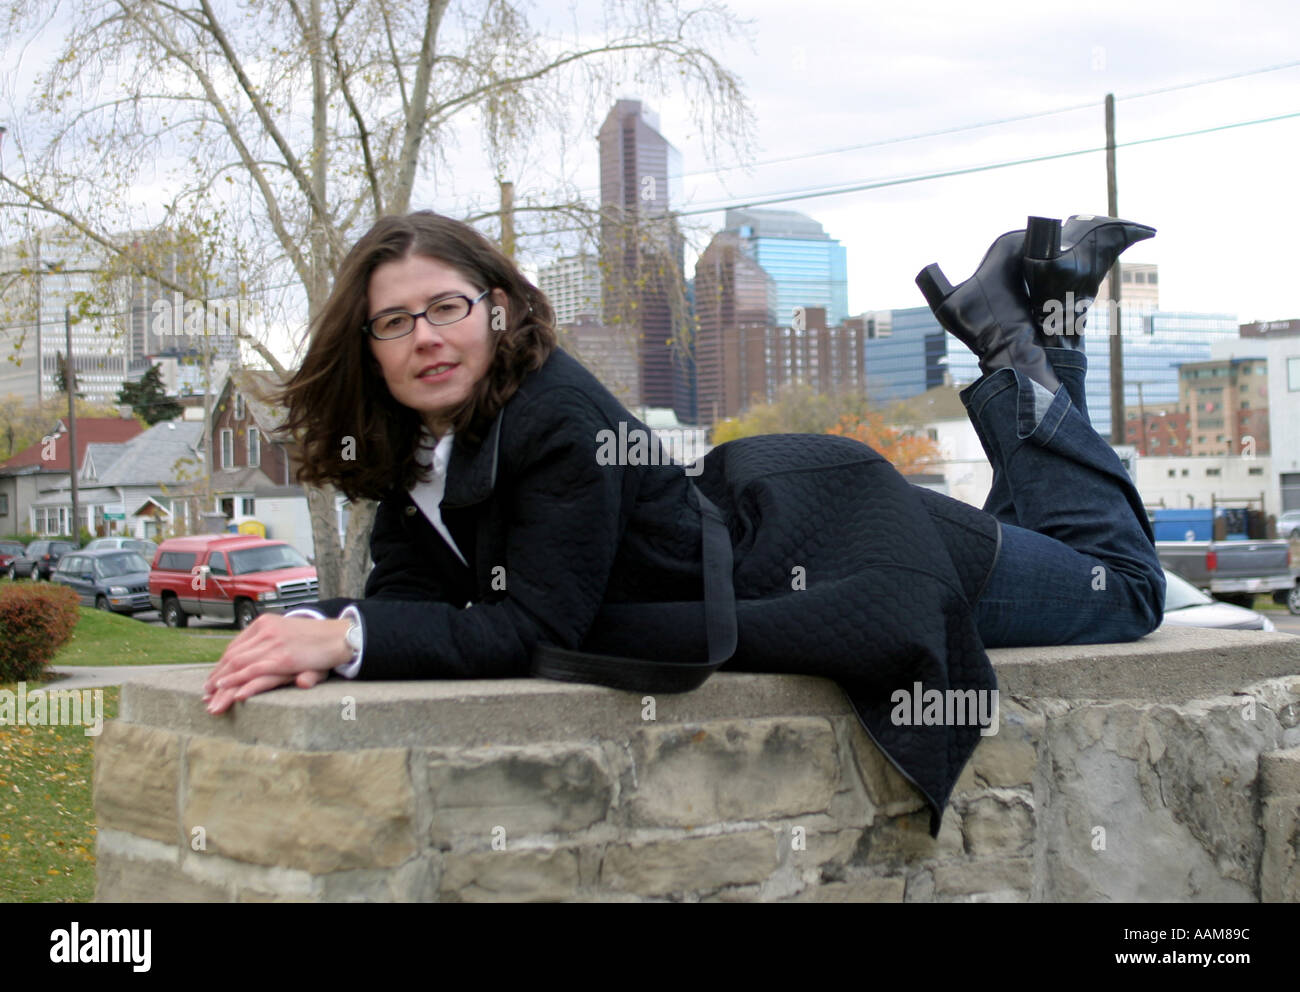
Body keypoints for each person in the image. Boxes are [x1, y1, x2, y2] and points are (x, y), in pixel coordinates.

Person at [203, 210, 1164, 834]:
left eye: (446, 307)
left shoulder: (554, 416)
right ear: (367, 348)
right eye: (394, 322)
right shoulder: (424, 451)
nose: (424, 336)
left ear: (495, 313)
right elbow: (416, 596)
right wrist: (331, 632)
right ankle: (1035, 320)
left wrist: (346, 635)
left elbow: (533, 626)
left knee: (1120, 590)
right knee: (1057, 540)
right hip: (786, 525)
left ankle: (1012, 336)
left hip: (847, 547)